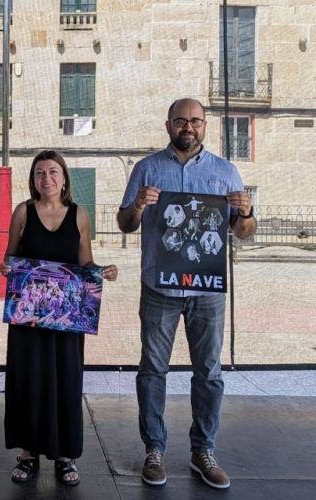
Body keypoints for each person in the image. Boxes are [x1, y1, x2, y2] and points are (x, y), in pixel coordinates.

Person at [117, 98, 256, 489]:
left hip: (206, 291)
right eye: (181, 121)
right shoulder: (147, 168)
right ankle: (154, 450)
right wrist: (139, 206)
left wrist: (245, 212)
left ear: (205, 126)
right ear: (168, 125)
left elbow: (242, 232)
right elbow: (125, 223)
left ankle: (203, 451)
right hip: (159, 287)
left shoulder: (225, 171)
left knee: (209, 373)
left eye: (195, 121)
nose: (188, 128)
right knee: (152, 370)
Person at [0, 150, 117, 486]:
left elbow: (85, 264)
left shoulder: (79, 215)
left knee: (67, 379)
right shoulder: (23, 212)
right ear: (33, 179)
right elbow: (10, 259)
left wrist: (103, 271)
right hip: (29, 316)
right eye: (39, 173)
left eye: (53, 172)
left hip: (67, 318)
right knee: (27, 380)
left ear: (64, 178)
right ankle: (27, 453)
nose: (46, 178)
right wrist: (7, 267)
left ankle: (65, 456)